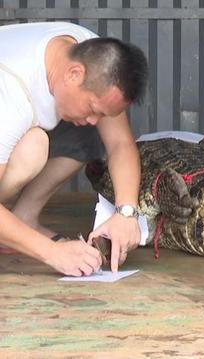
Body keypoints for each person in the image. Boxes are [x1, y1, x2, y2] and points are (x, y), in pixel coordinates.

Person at [0, 22, 148, 276]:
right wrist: (52, 252)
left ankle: (24, 219)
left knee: (91, 130)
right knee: (33, 148)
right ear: (73, 75)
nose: (93, 119)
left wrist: (127, 213)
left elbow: (120, 144)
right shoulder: (9, 95)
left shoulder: (91, 54)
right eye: (92, 108)